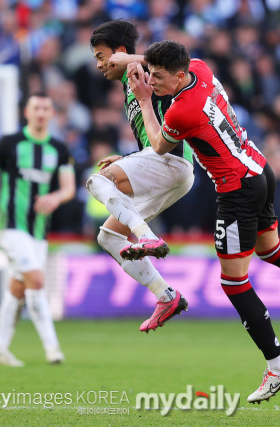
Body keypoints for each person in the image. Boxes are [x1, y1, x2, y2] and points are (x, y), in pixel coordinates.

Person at [125, 40, 280, 404]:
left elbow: (158, 145)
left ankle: (278, 365)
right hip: (259, 168)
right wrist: (134, 59)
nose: (152, 81)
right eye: (150, 75)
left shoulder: (179, 112)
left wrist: (144, 100)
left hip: (236, 188)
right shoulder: (202, 69)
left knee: (233, 282)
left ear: (179, 75)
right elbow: (159, 63)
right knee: (273, 251)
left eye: (158, 77)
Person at [86, 20, 195, 333]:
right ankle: (166, 295)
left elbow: (173, 61)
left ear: (120, 52)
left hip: (171, 161)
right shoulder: (130, 86)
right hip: (170, 168)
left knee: (98, 180)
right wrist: (128, 159)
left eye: (101, 56)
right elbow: (153, 137)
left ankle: (147, 236)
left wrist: (133, 60)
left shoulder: (143, 72)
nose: (99, 65)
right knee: (108, 237)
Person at [0, 94, 75, 367]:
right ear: (27, 111)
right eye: (35, 107)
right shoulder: (8, 143)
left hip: (38, 231)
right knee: (37, 281)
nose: (40, 112)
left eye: (45, 108)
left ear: (51, 113)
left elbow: (69, 188)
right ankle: (53, 349)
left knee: (17, 288)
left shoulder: (59, 149)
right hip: (11, 227)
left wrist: (56, 198)